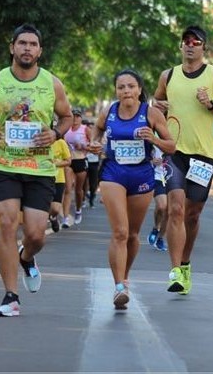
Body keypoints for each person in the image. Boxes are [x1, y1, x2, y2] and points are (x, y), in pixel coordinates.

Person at [0, 23, 73, 317]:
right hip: (5, 164)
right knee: (6, 223)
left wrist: (55, 134)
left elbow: (65, 117)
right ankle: (10, 296)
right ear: (12, 47)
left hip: (41, 167)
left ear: (40, 50)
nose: (27, 48)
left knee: (37, 234)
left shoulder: (52, 84)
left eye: (32, 44)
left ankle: (27, 258)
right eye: (22, 43)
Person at [153, 25, 213, 296]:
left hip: (203, 155)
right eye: (186, 41)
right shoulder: (168, 76)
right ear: (180, 46)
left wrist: (211, 105)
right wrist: (157, 105)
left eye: (196, 41)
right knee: (175, 209)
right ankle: (176, 270)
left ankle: (186, 263)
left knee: (192, 214)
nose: (190, 45)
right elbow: (156, 103)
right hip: (174, 152)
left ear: (204, 47)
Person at [89, 68, 175, 310]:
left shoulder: (152, 113)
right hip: (113, 173)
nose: (126, 91)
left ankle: (124, 276)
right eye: (121, 87)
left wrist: (155, 139)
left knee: (133, 235)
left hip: (142, 176)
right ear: (116, 91)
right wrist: (96, 142)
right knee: (120, 232)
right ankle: (118, 287)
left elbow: (172, 146)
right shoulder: (110, 111)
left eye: (130, 86)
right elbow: (97, 128)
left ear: (139, 89)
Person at [62, 109, 91, 227]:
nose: (75, 119)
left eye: (78, 116)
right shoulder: (66, 129)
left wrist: (83, 146)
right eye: (73, 116)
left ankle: (78, 210)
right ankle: (65, 218)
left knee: (78, 190)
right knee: (68, 189)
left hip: (80, 160)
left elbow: (93, 146)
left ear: (80, 118)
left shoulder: (85, 129)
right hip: (68, 161)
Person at [146, 142, 168, 252]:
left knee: (169, 210)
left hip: (173, 176)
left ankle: (160, 238)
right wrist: (151, 161)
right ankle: (156, 227)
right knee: (162, 206)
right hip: (158, 176)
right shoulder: (154, 135)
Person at [49, 137, 72, 232]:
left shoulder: (61, 142)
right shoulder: (38, 141)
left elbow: (68, 161)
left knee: (55, 209)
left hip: (58, 179)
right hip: (42, 178)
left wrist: (56, 164)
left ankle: (53, 218)